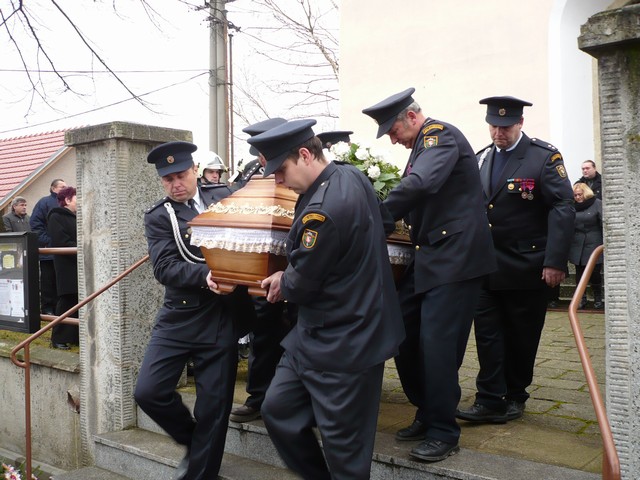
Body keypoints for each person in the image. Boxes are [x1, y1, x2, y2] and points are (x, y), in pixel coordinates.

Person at [252, 119, 405, 479]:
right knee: (277, 410)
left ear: (305, 155)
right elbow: (382, 224)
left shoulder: (323, 213)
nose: (277, 181)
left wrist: (281, 278)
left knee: (346, 454)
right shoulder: (350, 175)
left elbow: (302, 284)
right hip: (317, 335)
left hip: (346, 343)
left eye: (280, 171)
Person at [362, 87, 497, 463]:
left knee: (438, 345)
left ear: (411, 116)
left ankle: (443, 430)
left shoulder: (440, 136)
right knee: (402, 334)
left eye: (392, 130)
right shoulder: (422, 145)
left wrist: (374, 216)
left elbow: (421, 184)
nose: (392, 138)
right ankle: (427, 408)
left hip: (456, 258)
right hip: (430, 256)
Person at [133, 141, 254, 480]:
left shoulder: (225, 197)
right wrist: (207, 275)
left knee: (214, 407)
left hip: (223, 315)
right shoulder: (160, 216)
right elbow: (165, 268)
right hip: (181, 315)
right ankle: (196, 442)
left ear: (195, 170)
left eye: (181, 174)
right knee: (149, 391)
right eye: (168, 179)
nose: (176, 184)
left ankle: (201, 472)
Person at [457, 96, 575, 424]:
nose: (499, 132)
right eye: (494, 125)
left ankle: (516, 393)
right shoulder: (481, 159)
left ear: (520, 123)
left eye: (506, 126)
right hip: (486, 266)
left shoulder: (542, 157)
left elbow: (562, 208)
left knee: (521, 334)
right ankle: (489, 397)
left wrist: (555, 261)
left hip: (528, 265)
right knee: (488, 333)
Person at [229, 117, 297, 424]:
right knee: (263, 332)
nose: (262, 160)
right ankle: (258, 396)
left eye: (265, 152)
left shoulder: (294, 170)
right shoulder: (253, 175)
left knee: (292, 332)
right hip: (260, 268)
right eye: (260, 153)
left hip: (294, 265)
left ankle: (291, 397)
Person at [47, 186, 79, 349]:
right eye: (76, 197)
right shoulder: (56, 216)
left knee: (77, 301)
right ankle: (58, 338)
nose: (79, 201)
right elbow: (61, 241)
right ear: (67, 200)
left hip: (78, 263)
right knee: (67, 300)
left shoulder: (75, 217)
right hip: (67, 265)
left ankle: (74, 336)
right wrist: (81, 250)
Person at [30, 179, 68, 315]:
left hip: (65, 251)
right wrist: (48, 241)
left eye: (66, 186)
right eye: (62, 186)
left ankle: (61, 309)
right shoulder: (44, 202)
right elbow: (35, 224)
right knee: (48, 282)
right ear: (53, 188)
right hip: (49, 252)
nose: (65, 188)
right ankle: (47, 309)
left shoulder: (67, 203)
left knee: (62, 282)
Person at [570, 183, 604, 310]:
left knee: (595, 273)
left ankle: (597, 297)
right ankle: (581, 299)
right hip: (577, 244)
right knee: (579, 274)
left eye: (580, 194)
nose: (578, 197)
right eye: (575, 195)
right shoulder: (572, 206)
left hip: (594, 242)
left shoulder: (596, 203)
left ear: (586, 193)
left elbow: (602, 223)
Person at [230, 117, 287, 191]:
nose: (262, 160)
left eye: (264, 155)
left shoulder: (291, 168)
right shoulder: (252, 167)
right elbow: (240, 187)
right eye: (258, 156)